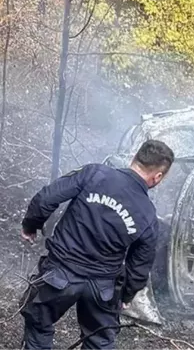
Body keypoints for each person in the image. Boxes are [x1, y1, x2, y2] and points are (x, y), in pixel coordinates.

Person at [18, 139, 174, 350]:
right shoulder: (148, 214)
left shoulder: (94, 174)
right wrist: (126, 294)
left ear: (134, 159)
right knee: (99, 342)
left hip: (60, 274)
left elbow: (46, 199)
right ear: (157, 177)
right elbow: (140, 266)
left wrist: (31, 225)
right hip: (102, 288)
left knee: (38, 325)